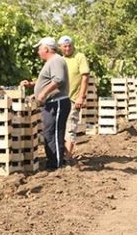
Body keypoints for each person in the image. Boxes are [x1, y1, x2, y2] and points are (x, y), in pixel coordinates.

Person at [20, 37, 71, 170]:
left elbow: (58, 79)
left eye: (39, 48)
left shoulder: (56, 60)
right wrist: (34, 87)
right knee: (49, 133)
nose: (38, 51)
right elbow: (49, 80)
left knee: (54, 134)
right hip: (52, 103)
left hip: (57, 103)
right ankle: (53, 162)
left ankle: (57, 164)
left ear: (46, 49)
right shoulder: (52, 61)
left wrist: (43, 93)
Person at [58, 35, 90, 160]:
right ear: (60, 47)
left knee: (70, 127)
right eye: (64, 46)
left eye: (69, 46)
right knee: (61, 127)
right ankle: (62, 154)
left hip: (73, 98)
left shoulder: (79, 57)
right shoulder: (60, 60)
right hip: (60, 99)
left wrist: (81, 97)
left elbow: (85, 77)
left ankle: (68, 157)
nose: (67, 48)